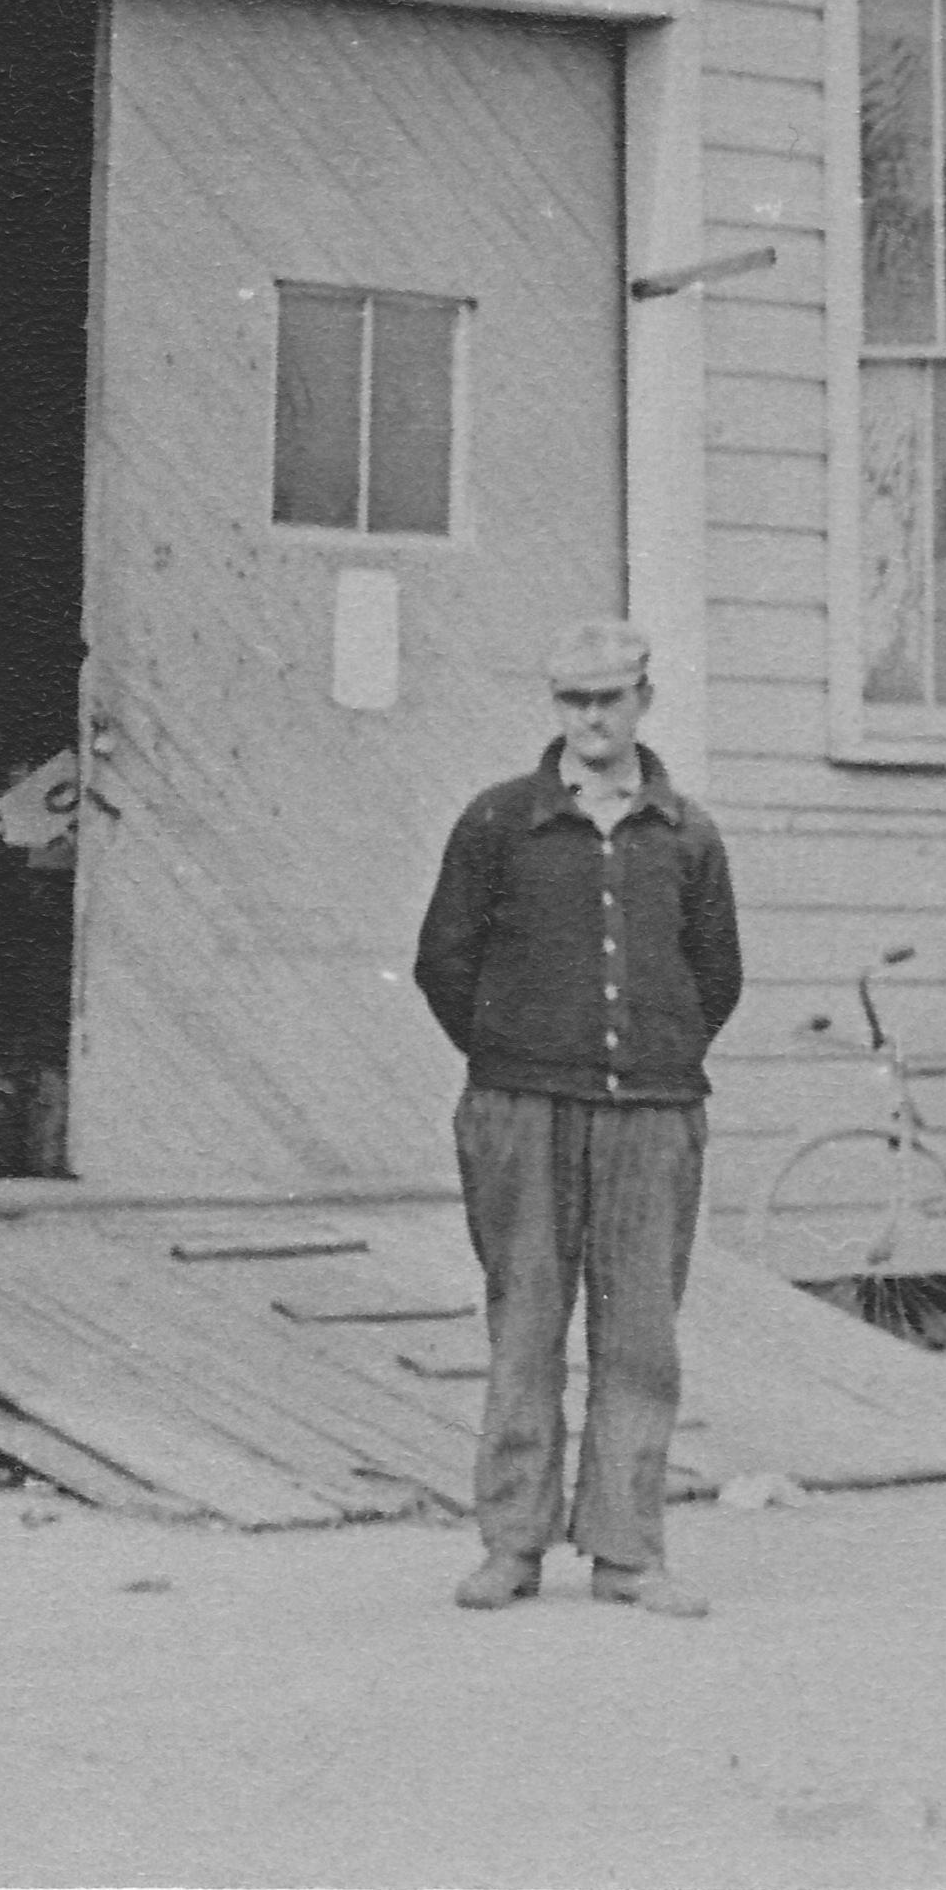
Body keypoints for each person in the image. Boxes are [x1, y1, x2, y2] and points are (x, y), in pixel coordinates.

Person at [412, 619, 743, 1618]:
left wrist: (652, 1055)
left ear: (644, 697)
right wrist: (517, 1047)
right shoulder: (497, 823)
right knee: (525, 1324)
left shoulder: (688, 834)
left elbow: (715, 974)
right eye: (574, 701)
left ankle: (627, 1550)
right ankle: (511, 1543)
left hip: (653, 1112)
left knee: (640, 1332)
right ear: (555, 708)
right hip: (519, 1108)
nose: (593, 718)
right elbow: (444, 960)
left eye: (610, 698)